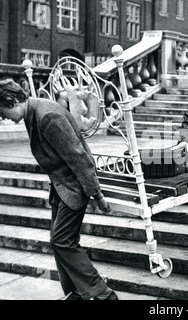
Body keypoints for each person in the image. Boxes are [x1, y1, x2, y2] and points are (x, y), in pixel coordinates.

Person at [0, 79, 118, 300]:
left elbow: (80, 158)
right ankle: (75, 294)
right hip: (60, 186)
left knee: (61, 241)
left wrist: (97, 194)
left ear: (14, 100)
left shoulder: (47, 116)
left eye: (3, 111)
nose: (3, 117)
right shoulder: (33, 113)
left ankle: (102, 294)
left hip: (74, 187)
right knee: (61, 242)